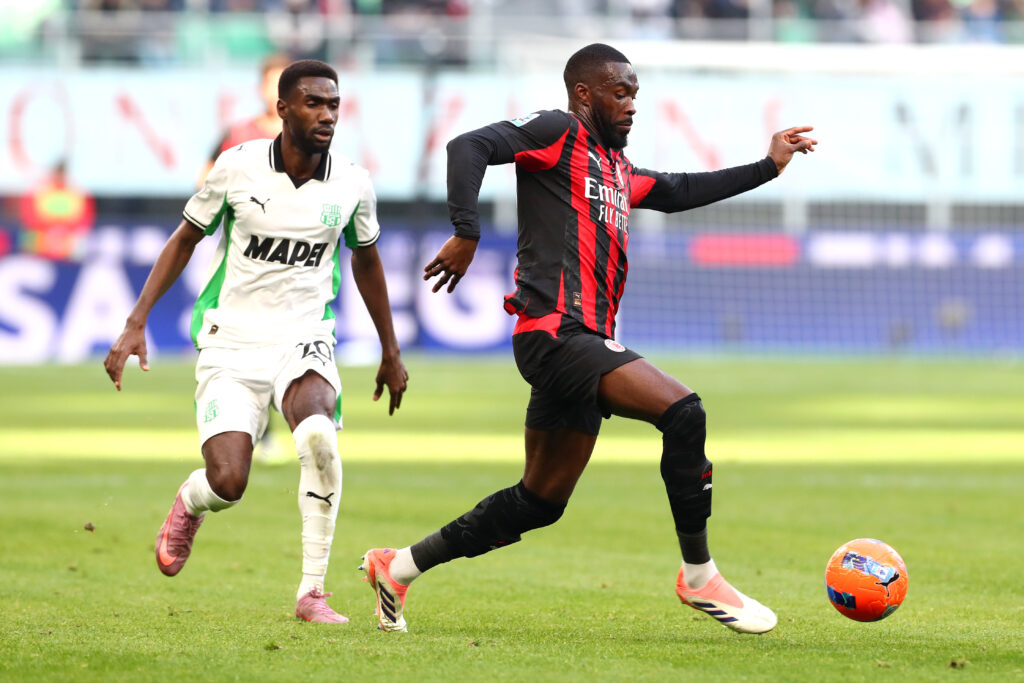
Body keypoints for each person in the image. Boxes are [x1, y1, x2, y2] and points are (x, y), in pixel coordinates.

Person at [359, 43, 815, 634]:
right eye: (619, 92)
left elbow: (677, 190)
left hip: (577, 343)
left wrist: (769, 165)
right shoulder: (557, 131)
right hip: (555, 332)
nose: (630, 105)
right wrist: (467, 232)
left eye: (635, 95)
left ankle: (397, 567)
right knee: (684, 412)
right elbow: (467, 145)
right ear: (584, 94)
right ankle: (699, 576)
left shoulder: (618, 170)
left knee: (539, 501)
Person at [104, 59, 408, 624]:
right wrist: (136, 320)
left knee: (318, 435)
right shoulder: (237, 167)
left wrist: (390, 350)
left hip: (305, 335)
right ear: (284, 108)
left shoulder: (352, 181)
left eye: (334, 105)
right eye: (314, 103)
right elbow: (184, 239)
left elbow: (366, 260)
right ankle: (191, 503)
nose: (327, 114)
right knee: (229, 481)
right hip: (231, 340)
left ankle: (311, 592)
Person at [199, 52, 291, 464]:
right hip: (242, 255)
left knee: (283, 344)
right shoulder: (237, 132)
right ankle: (248, 425)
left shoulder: (311, 137)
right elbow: (204, 179)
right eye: (273, 82)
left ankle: (266, 424)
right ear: (261, 87)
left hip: (293, 261)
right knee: (243, 344)